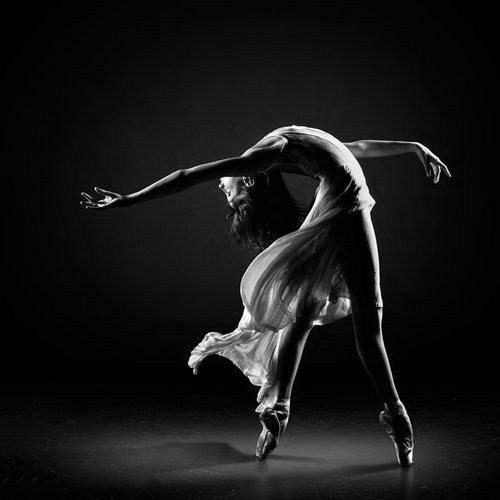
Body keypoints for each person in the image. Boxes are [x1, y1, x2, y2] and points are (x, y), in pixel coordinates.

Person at [81, 124, 450, 467]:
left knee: (314, 313)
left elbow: (355, 148)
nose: (221, 188)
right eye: (229, 193)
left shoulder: (268, 153)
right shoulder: (264, 156)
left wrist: (413, 146)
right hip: (345, 209)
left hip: (342, 207)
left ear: (249, 180)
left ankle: (288, 409)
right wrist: (129, 199)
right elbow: (186, 177)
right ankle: (386, 414)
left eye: (227, 192)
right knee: (340, 320)